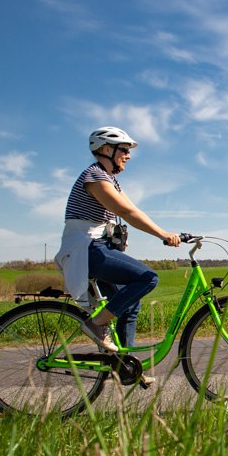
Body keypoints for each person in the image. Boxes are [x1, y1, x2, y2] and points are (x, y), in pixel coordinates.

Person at [54, 126, 181, 379]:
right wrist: (162, 235)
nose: (128, 155)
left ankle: (125, 367)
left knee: (130, 305)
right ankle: (96, 324)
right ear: (105, 150)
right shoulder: (94, 177)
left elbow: (135, 209)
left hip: (97, 247)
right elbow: (127, 213)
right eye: (124, 149)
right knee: (148, 278)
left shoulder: (109, 178)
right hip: (86, 249)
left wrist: (167, 231)